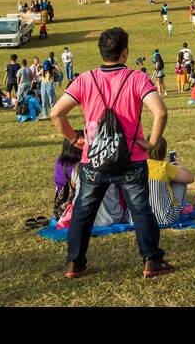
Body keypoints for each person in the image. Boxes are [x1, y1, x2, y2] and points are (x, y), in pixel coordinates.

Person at [49, 27, 173, 279]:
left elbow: (56, 113)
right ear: (125, 52)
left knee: (83, 211)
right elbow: (160, 112)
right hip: (132, 159)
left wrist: (75, 139)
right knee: (141, 210)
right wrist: (151, 142)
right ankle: (151, 260)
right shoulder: (137, 79)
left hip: (93, 159)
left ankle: (75, 263)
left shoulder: (85, 79)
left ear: (101, 51)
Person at [146, 136, 195, 225]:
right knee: (181, 181)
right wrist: (180, 167)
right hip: (165, 218)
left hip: (139, 219)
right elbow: (190, 178)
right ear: (164, 152)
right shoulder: (165, 167)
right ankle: (180, 208)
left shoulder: (138, 166)